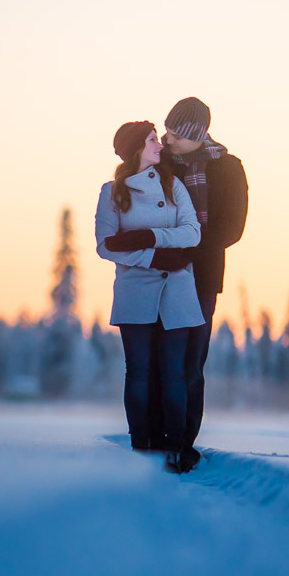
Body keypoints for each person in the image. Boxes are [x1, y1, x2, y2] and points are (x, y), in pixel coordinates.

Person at [95, 121, 204, 472]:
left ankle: (175, 447)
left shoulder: (174, 186)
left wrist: (148, 236)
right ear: (136, 149)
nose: (160, 146)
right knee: (138, 373)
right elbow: (106, 246)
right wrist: (153, 256)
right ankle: (140, 445)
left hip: (177, 291)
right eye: (152, 140)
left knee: (174, 372)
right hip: (135, 293)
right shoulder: (111, 192)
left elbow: (192, 233)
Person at [156, 97, 249, 467]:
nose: (168, 139)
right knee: (158, 360)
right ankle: (154, 437)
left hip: (202, 277)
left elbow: (232, 226)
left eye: (176, 134)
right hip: (159, 274)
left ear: (197, 135)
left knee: (190, 364)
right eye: (166, 131)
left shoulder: (228, 168)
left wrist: (188, 249)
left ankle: (182, 443)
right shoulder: (160, 163)